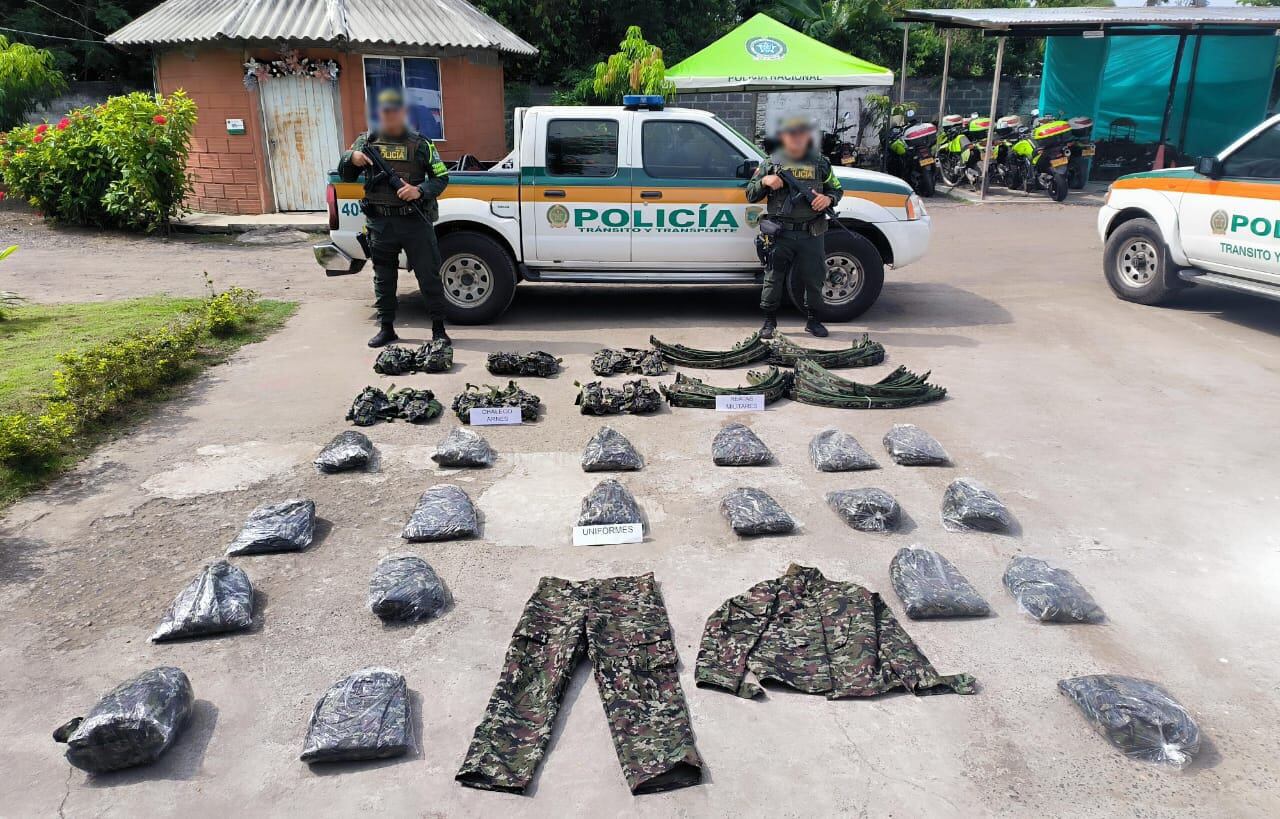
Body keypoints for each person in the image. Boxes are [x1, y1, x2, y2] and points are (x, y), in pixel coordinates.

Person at [338, 88, 451, 348]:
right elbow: (346, 174)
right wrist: (351, 158)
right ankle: (386, 328)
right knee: (383, 278)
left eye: (395, 111)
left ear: (403, 112)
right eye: (385, 111)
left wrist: (418, 190)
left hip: (414, 222)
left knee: (429, 276)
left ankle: (438, 329)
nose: (390, 115)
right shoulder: (366, 142)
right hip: (380, 223)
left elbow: (441, 177)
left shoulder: (421, 144)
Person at [746, 115, 844, 339]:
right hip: (781, 233)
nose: (797, 139)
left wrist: (828, 199)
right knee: (773, 278)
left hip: (811, 232)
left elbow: (837, 189)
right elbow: (750, 193)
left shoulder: (820, 163)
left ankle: (813, 320)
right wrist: (765, 182)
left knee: (814, 278)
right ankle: (769, 321)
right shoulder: (771, 163)